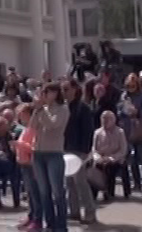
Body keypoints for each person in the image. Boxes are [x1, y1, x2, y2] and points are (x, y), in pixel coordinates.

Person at [30, 82, 70, 232]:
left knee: (57, 191)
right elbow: (32, 126)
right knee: (44, 191)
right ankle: (50, 223)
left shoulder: (63, 109)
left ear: (55, 93)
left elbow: (52, 124)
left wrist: (41, 110)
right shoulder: (42, 109)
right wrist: (37, 109)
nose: (44, 95)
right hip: (39, 153)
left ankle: (61, 225)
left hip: (54, 153)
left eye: (47, 92)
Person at [63, 79, 96, 225]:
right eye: (63, 89)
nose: (64, 92)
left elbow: (88, 131)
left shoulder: (83, 108)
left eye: (66, 89)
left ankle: (90, 212)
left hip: (79, 150)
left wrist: (86, 152)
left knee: (80, 182)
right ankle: (74, 211)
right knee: (69, 182)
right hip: (66, 149)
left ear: (75, 89)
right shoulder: (64, 107)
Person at [14, 103, 43, 231]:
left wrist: (20, 145)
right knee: (30, 193)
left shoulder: (35, 129)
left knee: (35, 193)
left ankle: (37, 220)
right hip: (23, 164)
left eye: (23, 114)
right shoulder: (25, 128)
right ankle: (31, 216)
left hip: (31, 165)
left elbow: (34, 148)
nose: (21, 117)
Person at [90, 110, 127, 200]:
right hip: (101, 158)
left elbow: (123, 150)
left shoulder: (120, 132)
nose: (105, 121)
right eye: (103, 118)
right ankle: (93, 194)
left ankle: (108, 192)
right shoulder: (97, 132)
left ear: (114, 120)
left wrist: (111, 158)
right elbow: (94, 149)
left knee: (109, 168)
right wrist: (98, 158)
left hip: (115, 158)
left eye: (108, 119)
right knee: (94, 168)